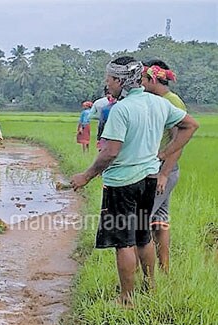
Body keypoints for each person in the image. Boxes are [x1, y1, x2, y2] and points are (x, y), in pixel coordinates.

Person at [70, 56, 198, 304]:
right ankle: (150, 288)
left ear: (119, 81)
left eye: (109, 80)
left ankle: (126, 298)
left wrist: (85, 176)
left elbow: (110, 152)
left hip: (123, 183)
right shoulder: (158, 103)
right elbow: (190, 125)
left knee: (123, 241)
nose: (107, 85)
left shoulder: (122, 110)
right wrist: (163, 153)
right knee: (143, 235)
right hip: (149, 179)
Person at [141, 59, 186, 273]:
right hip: (162, 169)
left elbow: (178, 142)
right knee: (160, 221)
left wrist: (164, 173)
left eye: (142, 78)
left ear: (152, 78)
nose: (140, 83)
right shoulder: (158, 100)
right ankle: (164, 270)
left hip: (163, 170)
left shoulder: (172, 102)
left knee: (142, 222)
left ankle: (146, 279)